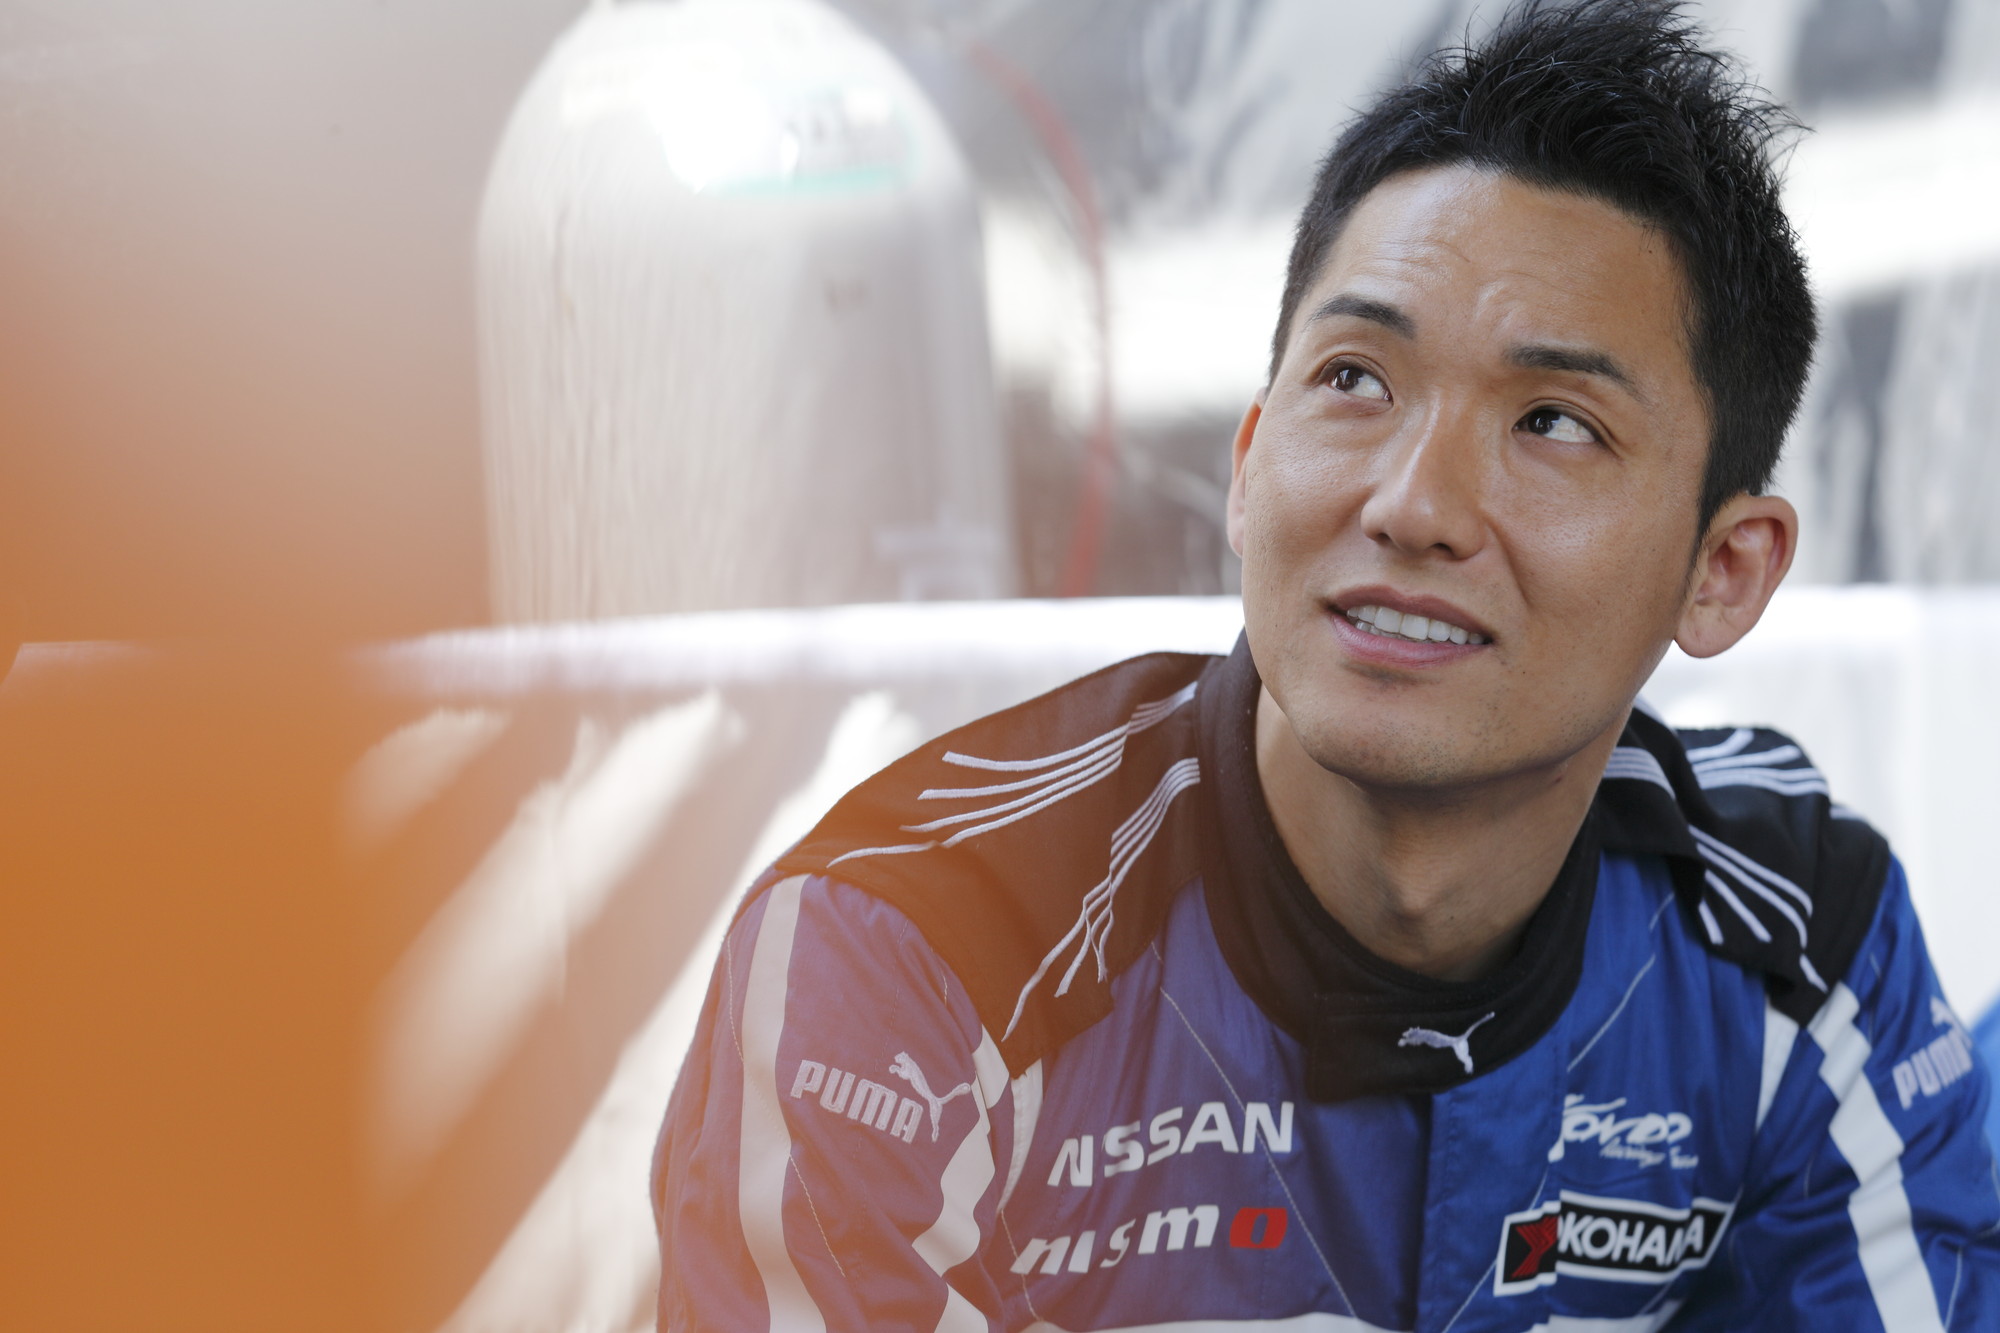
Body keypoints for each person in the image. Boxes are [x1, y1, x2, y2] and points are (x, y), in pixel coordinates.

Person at [651, 2, 2000, 1328]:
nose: (1414, 505)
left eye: (1552, 421)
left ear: (1725, 570)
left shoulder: (1801, 938)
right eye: (1356, 379)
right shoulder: (907, 946)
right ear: (1248, 468)